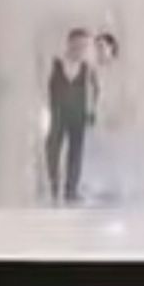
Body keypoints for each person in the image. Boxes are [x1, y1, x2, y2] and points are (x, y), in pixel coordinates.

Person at [45, 28, 95, 204]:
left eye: (84, 46)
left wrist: (91, 112)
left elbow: (92, 91)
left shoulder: (87, 68)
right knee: (53, 148)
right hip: (57, 113)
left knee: (76, 152)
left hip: (78, 115)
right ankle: (53, 186)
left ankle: (71, 190)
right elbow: (46, 87)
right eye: (78, 45)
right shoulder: (55, 63)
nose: (81, 49)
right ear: (69, 44)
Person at [80, 32, 127, 205]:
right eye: (96, 47)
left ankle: (114, 188)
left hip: (113, 117)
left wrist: (119, 115)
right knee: (95, 149)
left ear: (111, 48)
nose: (98, 51)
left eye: (101, 47)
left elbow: (123, 95)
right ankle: (94, 186)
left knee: (112, 151)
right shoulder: (93, 70)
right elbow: (93, 93)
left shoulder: (118, 71)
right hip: (98, 115)